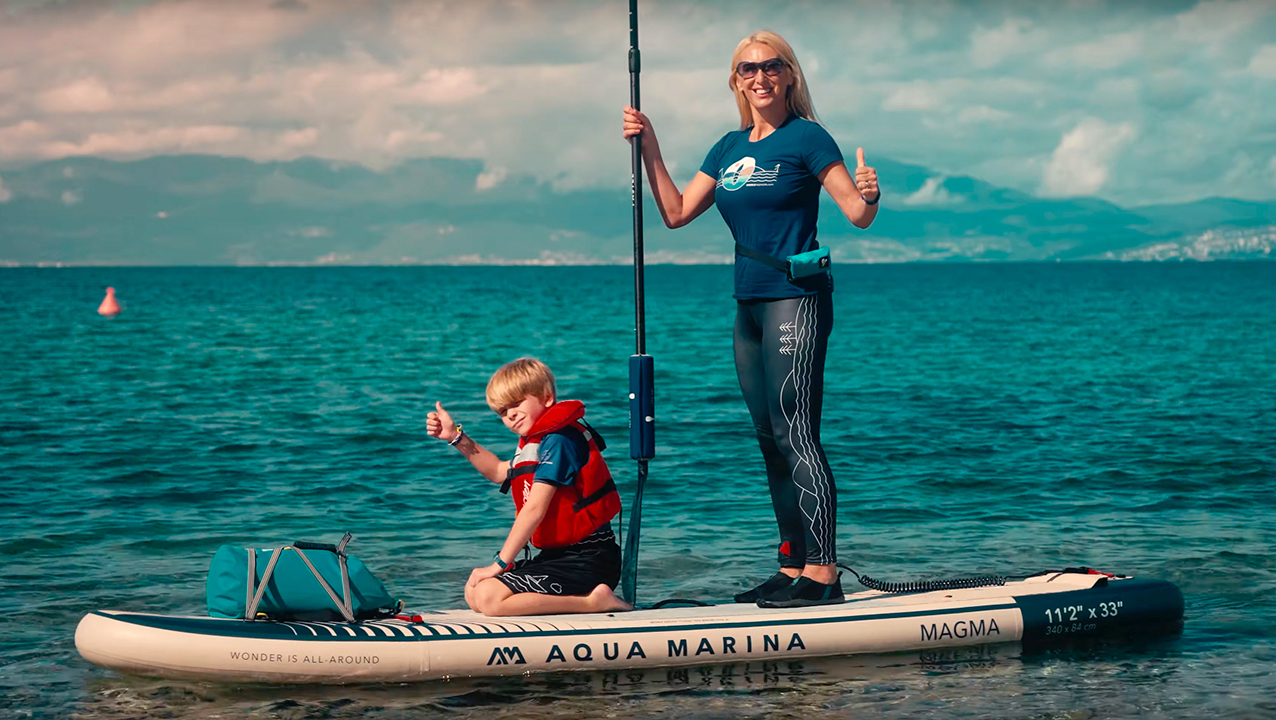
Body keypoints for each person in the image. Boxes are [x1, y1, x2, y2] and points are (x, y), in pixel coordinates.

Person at [621, 30, 880, 608]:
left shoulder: (807, 137)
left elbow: (857, 214)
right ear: (736, 81)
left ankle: (823, 574)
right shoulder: (728, 148)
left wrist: (870, 193)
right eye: (747, 68)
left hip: (795, 298)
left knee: (796, 433)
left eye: (770, 66)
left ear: (789, 75)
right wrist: (649, 146)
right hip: (749, 306)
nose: (759, 76)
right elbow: (675, 213)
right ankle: (793, 564)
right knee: (769, 440)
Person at [427, 357, 631, 616]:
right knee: (474, 591)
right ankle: (583, 599)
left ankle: (594, 601)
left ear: (547, 398)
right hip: (557, 558)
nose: (510, 414)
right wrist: (456, 437)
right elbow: (499, 471)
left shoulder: (560, 441)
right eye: (503, 411)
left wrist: (500, 563)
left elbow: (534, 509)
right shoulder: (535, 443)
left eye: (516, 403)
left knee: (490, 598)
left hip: (590, 560)